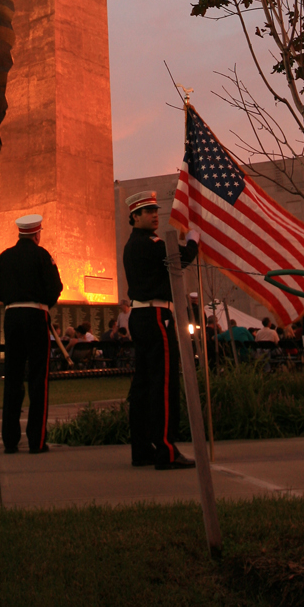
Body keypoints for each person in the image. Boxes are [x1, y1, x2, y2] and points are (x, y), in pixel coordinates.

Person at [123, 189, 197, 470]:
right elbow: (180, 259)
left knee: (142, 386)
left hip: (142, 315)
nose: (155, 215)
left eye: (156, 210)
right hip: (155, 315)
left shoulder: (133, 245)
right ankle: (165, 450)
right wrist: (193, 242)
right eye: (147, 211)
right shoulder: (149, 243)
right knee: (163, 384)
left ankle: (142, 449)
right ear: (134, 217)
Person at [0, 213, 63, 454]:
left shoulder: (4, 258)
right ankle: (36, 441)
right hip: (35, 316)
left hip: (11, 317)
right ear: (37, 233)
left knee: (13, 377)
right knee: (38, 378)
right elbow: (55, 289)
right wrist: (41, 302)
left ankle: (10, 441)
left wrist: (13, 298)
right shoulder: (43, 256)